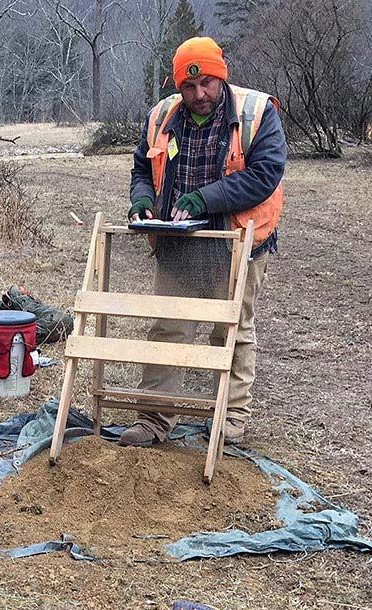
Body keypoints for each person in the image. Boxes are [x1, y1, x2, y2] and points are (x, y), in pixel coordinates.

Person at [121, 36, 287, 448]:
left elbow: (266, 175)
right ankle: (155, 418)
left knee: (231, 330)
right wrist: (142, 198)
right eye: (189, 87)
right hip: (177, 244)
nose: (199, 94)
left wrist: (205, 197)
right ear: (176, 86)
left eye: (207, 84)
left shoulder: (256, 113)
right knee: (167, 328)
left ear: (221, 76)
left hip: (236, 242)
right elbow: (143, 167)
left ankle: (230, 415)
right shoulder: (162, 116)